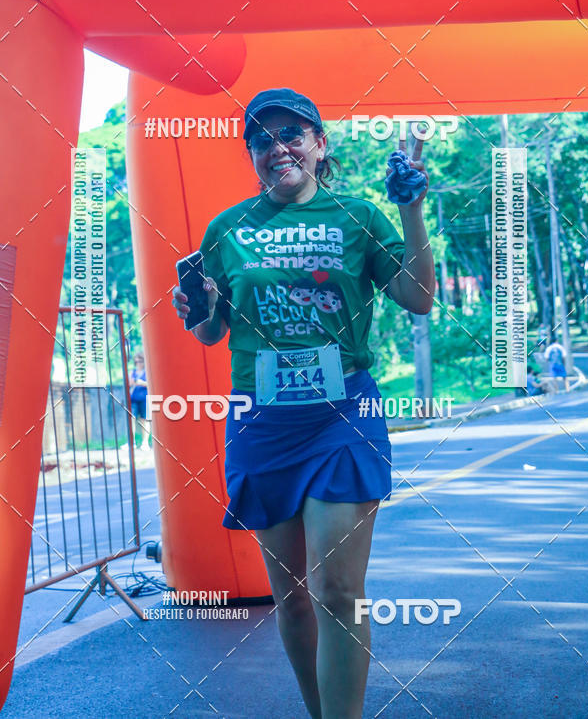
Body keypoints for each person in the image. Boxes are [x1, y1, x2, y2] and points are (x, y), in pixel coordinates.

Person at [172, 88, 435, 719]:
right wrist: (197, 311)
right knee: (290, 598)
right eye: (261, 139)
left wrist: (414, 210)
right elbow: (212, 331)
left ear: (321, 143)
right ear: (251, 155)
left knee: (337, 590)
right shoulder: (226, 229)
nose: (277, 146)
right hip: (262, 423)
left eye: (293, 133)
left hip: (343, 416)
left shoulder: (360, 215)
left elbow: (419, 297)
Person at [128, 352, 150, 450]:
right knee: (131, 419)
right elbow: (128, 383)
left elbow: (151, 383)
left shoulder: (147, 372)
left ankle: (145, 443)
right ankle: (131, 443)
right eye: (136, 362)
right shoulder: (132, 372)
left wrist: (142, 383)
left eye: (140, 361)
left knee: (144, 420)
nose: (138, 363)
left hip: (145, 399)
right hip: (133, 399)